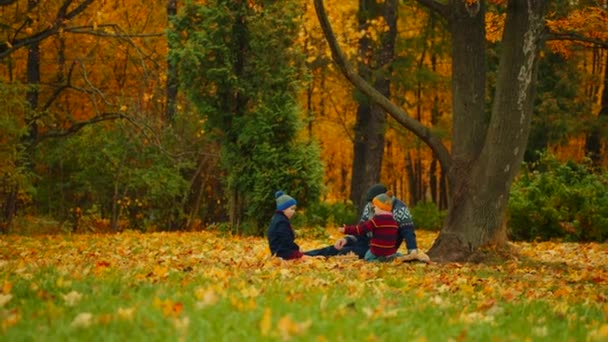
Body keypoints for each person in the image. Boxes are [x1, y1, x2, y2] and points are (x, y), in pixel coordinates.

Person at [305, 183, 429, 262]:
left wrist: (412, 250)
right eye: (370, 203)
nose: (371, 206)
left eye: (373, 203)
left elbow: (408, 230)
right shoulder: (370, 207)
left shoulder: (400, 208)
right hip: (367, 242)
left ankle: (401, 258)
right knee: (337, 247)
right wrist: (347, 239)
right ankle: (304, 255)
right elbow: (362, 228)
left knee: (344, 253)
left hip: (383, 249)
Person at [339, 191, 399, 261]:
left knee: (367, 257)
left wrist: (346, 229)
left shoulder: (376, 220)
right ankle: (392, 257)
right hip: (390, 250)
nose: (373, 208)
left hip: (377, 250)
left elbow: (361, 229)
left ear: (381, 207)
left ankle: (379, 260)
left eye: (375, 207)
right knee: (392, 253)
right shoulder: (394, 221)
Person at [267, 190, 305, 260]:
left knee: (307, 254)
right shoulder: (281, 222)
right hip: (283, 253)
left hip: (280, 251)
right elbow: (286, 241)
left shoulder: (278, 218)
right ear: (283, 209)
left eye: (294, 209)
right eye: (292, 209)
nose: (294, 211)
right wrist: (297, 249)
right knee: (308, 256)